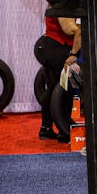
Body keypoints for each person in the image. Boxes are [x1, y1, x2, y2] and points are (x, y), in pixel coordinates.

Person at [33, 12, 81, 143]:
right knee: (64, 89)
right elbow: (69, 29)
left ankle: (47, 128)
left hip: (50, 46)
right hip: (54, 47)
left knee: (54, 88)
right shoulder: (62, 3)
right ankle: (64, 129)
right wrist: (86, 27)